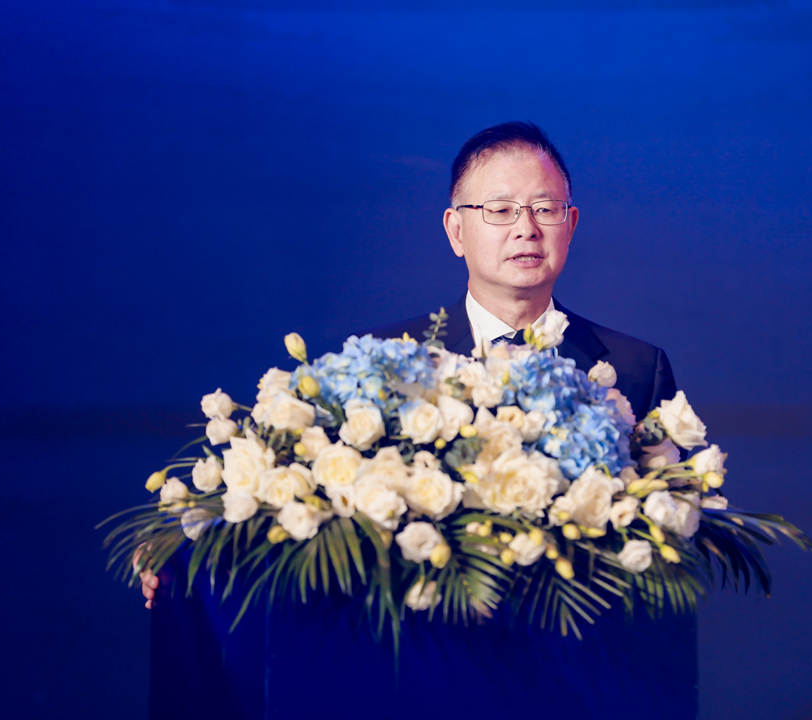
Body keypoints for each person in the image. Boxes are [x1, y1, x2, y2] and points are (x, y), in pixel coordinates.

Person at [140, 121, 679, 608]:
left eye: (545, 208)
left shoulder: (635, 368)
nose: (526, 228)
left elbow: (680, 525)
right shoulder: (385, 363)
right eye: (500, 210)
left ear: (570, 224)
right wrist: (180, 548)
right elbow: (294, 494)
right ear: (456, 230)